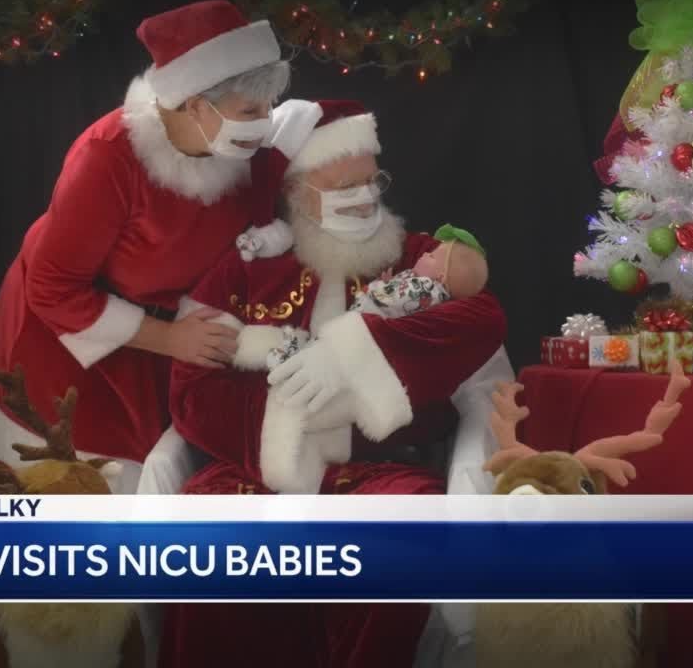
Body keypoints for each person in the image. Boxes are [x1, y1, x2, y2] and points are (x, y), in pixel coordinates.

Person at [151, 99, 511, 667]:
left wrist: (352, 355)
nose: (366, 198)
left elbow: (484, 320)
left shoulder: (416, 259)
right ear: (296, 195)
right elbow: (191, 394)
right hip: (259, 473)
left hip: (381, 470)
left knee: (401, 538)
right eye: (344, 187)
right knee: (210, 541)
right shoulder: (241, 271)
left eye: (373, 182)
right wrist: (290, 418)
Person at [0, 0, 324, 494]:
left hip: (171, 335)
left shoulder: (239, 148)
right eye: (251, 111)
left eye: (268, 107)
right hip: (66, 340)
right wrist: (170, 339)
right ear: (193, 105)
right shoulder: (106, 159)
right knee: (82, 490)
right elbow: (53, 288)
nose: (264, 120)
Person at [266, 222, 490, 368]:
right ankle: (296, 354)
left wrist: (374, 287)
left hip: (362, 322)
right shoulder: (427, 289)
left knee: (328, 345)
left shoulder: (425, 288)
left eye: (431, 257)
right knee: (327, 343)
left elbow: (386, 299)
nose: (423, 256)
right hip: (364, 322)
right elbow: (399, 300)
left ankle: (287, 360)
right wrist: (388, 282)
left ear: (440, 277)